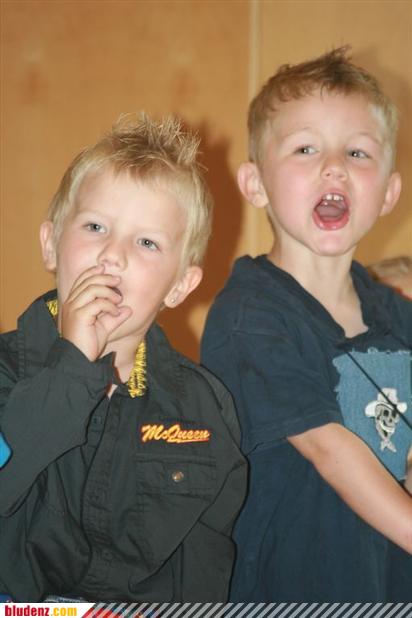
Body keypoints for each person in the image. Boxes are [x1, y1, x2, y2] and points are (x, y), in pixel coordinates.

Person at [0, 113, 246, 602]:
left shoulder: (202, 409)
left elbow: (203, 567)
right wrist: (73, 362)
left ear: (180, 286)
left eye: (146, 242)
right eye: (95, 226)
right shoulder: (6, 372)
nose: (113, 255)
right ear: (51, 245)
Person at [201, 48, 412, 601]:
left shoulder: (396, 314)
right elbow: (328, 448)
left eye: (358, 151)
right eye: (305, 148)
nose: (334, 166)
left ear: (388, 193)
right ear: (255, 184)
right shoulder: (249, 315)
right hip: (291, 592)